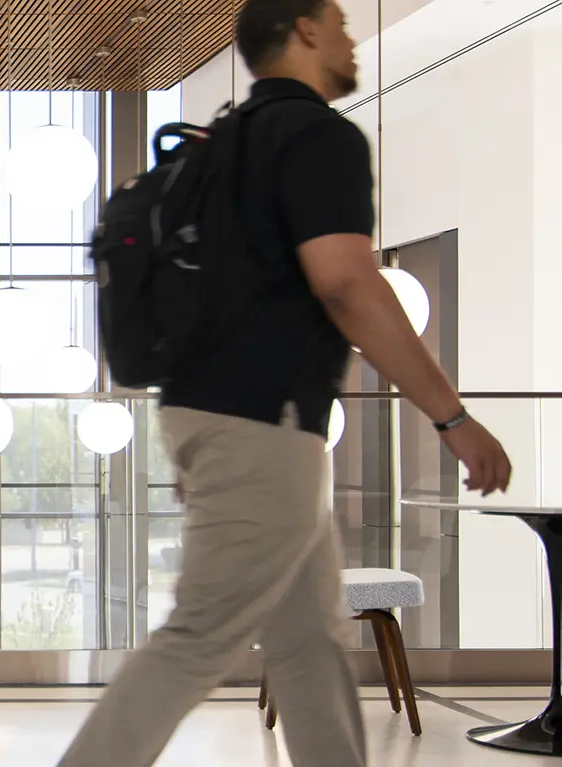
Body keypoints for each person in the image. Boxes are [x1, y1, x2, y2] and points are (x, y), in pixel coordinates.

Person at [57, 2, 511, 765]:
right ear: (303, 28)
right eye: (337, 22)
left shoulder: (219, 148)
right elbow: (345, 283)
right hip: (261, 426)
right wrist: (452, 416)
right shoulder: (316, 136)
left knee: (312, 640)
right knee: (200, 636)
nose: (349, 36)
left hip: (222, 419)